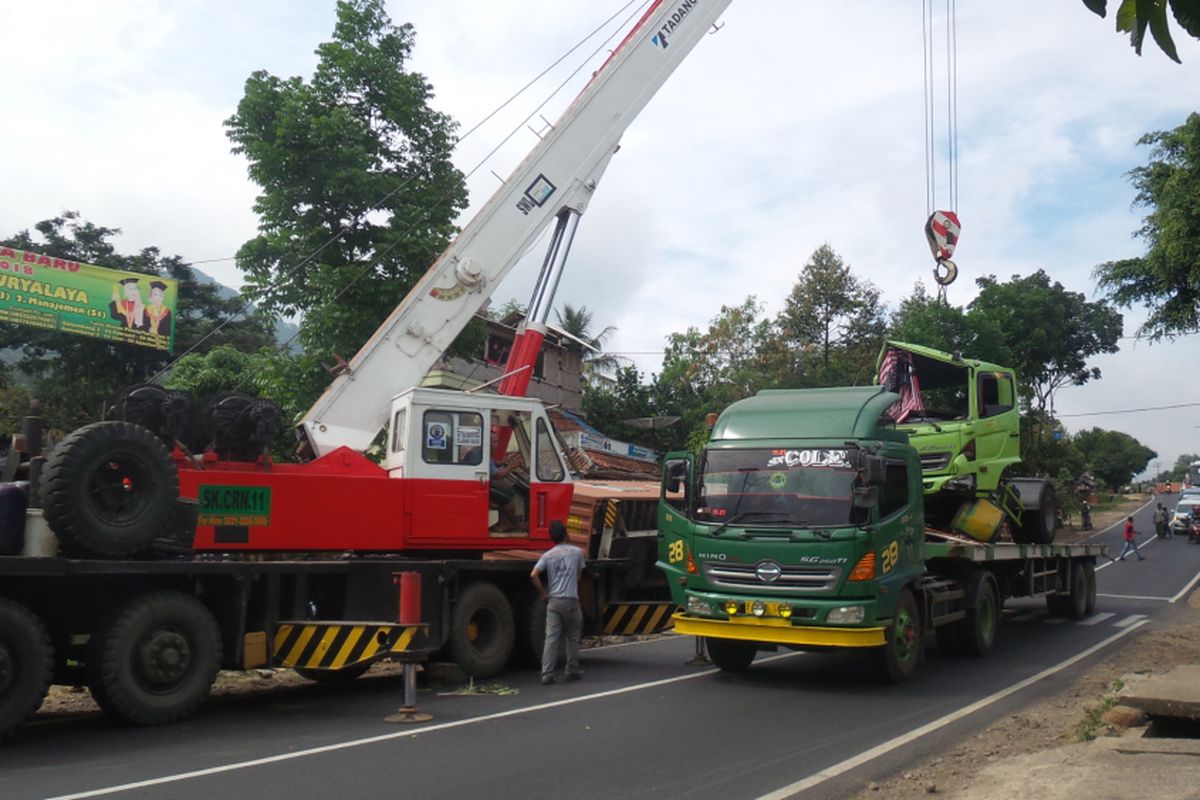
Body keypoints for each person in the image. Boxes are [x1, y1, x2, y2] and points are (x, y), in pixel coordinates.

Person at [530, 520, 586, 685]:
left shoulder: (548, 555)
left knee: (551, 638)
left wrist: (543, 594)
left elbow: (533, 575)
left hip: (553, 601)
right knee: (573, 636)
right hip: (571, 600)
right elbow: (578, 577)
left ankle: (547, 673)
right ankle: (571, 670)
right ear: (566, 534)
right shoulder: (577, 552)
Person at [488, 429, 522, 532]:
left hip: (486, 483)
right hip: (485, 486)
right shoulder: (484, 453)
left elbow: (493, 464)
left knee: (505, 490)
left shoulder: (484, 453)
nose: (497, 445)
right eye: (495, 442)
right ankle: (514, 524)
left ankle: (503, 523)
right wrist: (511, 466)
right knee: (508, 495)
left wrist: (505, 462)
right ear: (487, 443)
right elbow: (498, 475)